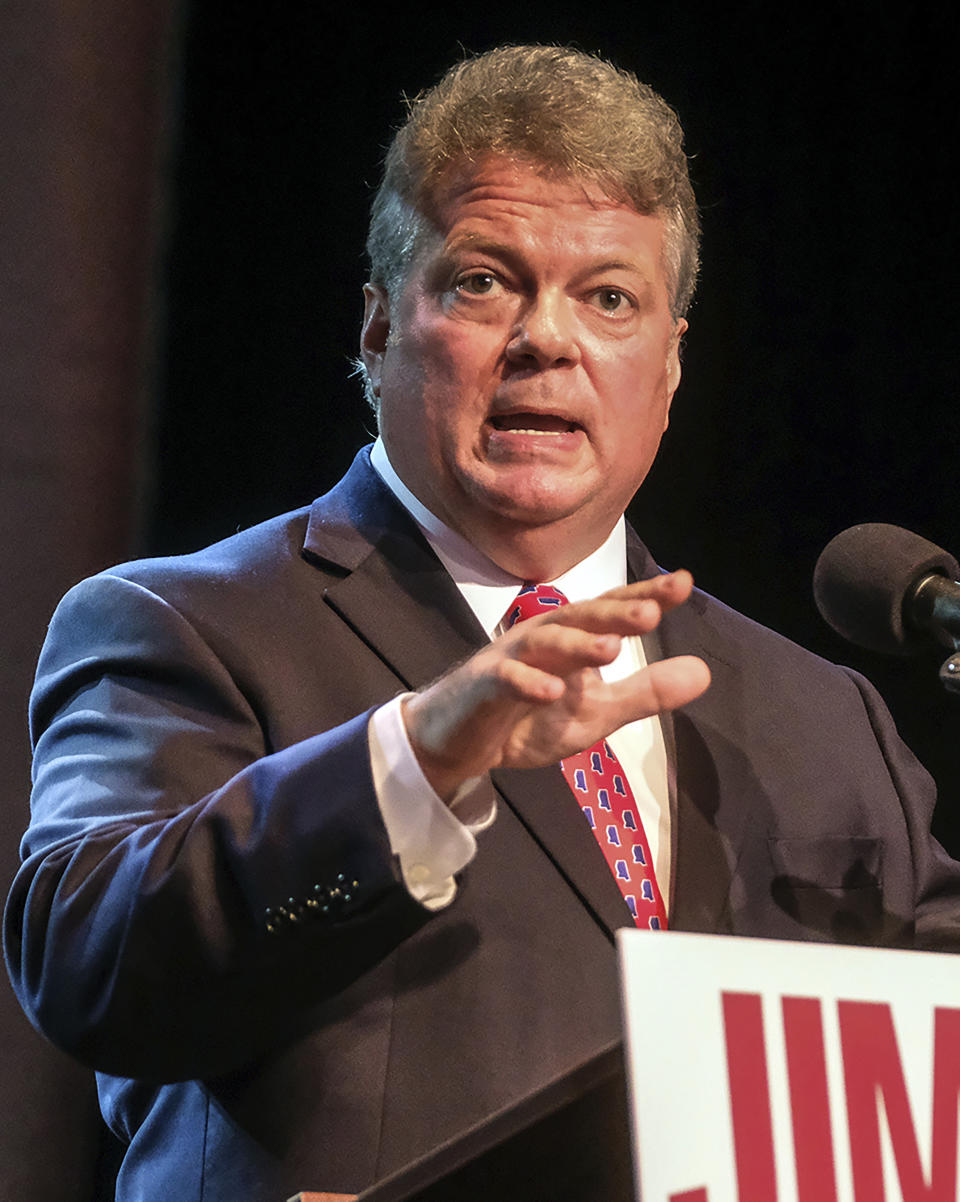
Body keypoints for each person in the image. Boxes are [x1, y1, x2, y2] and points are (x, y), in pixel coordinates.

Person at [5, 44, 960, 1202]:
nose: (547, 340)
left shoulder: (827, 717)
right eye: (484, 282)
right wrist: (418, 757)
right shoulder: (183, 624)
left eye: (610, 297)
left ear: (669, 365)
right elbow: (93, 971)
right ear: (375, 327)